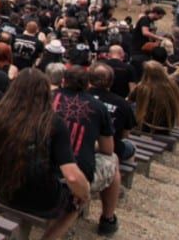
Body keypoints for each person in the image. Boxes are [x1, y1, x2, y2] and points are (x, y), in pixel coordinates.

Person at [0, 69, 88, 240]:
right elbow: (72, 176)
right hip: (42, 198)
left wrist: (3, 164)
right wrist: (85, 192)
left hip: (5, 190)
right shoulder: (54, 123)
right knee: (76, 204)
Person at [47, 64, 120, 236]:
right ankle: (108, 219)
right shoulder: (99, 107)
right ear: (88, 84)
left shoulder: (48, 97)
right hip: (73, 175)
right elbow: (107, 150)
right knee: (113, 161)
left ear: (63, 81)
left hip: (42, 164)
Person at [128, 61, 179, 135]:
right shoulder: (171, 85)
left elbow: (129, 100)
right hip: (166, 128)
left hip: (147, 126)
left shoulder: (143, 87)